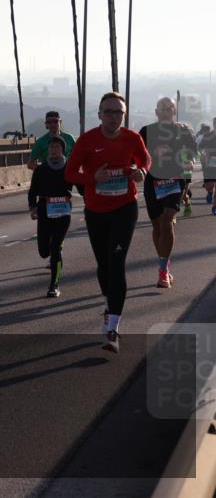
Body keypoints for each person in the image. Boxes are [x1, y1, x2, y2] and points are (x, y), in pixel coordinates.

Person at [65, 92, 150, 354]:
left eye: (118, 112)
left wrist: (142, 171)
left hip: (125, 207)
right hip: (96, 211)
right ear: (100, 114)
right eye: (109, 111)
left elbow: (145, 158)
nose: (114, 116)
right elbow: (69, 172)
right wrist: (92, 178)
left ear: (124, 116)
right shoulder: (87, 140)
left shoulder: (132, 138)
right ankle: (109, 304)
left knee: (117, 263)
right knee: (104, 265)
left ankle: (112, 327)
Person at [138, 97, 198, 288]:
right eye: (162, 108)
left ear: (174, 111)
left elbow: (191, 153)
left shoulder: (183, 130)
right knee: (157, 227)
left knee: (166, 220)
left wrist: (188, 162)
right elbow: (137, 155)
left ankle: (163, 272)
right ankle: (164, 262)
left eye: (169, 107)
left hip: (174, 180)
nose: (166, 111)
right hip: (153, 183)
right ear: (156, 112)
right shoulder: (146, 131)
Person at [27, 136, 77, 298]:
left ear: (62, 150)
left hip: (63, 212)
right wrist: (33, 207)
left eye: (57, 147)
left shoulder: (69, 167)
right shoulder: (41, 169)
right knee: (44, 251)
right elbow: (33, 191)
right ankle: (54, 244)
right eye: (51, 148)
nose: (53, 150)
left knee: (55, 249)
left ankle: (54, 285)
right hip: (44, 211)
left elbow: (82, 186)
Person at [201, 120, 216, 213]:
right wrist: (204, 156)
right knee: (209, 186)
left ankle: (214, 207)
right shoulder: (207, 136)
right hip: (209, 163)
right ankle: (210, 192)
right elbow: (201, 148)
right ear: (214, 125)